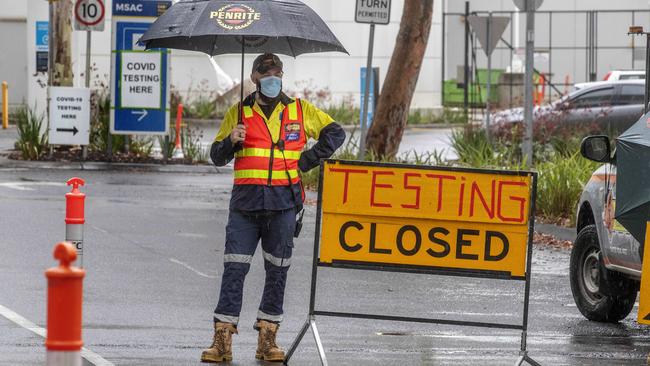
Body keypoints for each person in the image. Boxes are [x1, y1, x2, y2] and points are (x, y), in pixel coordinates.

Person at [201, 53, 345, 363]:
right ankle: (222, 341)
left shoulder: (299, 110)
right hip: (245, 205)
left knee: (277, 272)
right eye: (265, 72)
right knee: (234, 269)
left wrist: (307, 160)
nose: (272, 77)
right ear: (254, 77)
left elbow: (336, 133)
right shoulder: (237, 113)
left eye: (276, 72)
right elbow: (216, 156)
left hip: (283, 204)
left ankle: (268, 340)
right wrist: (231, 142)